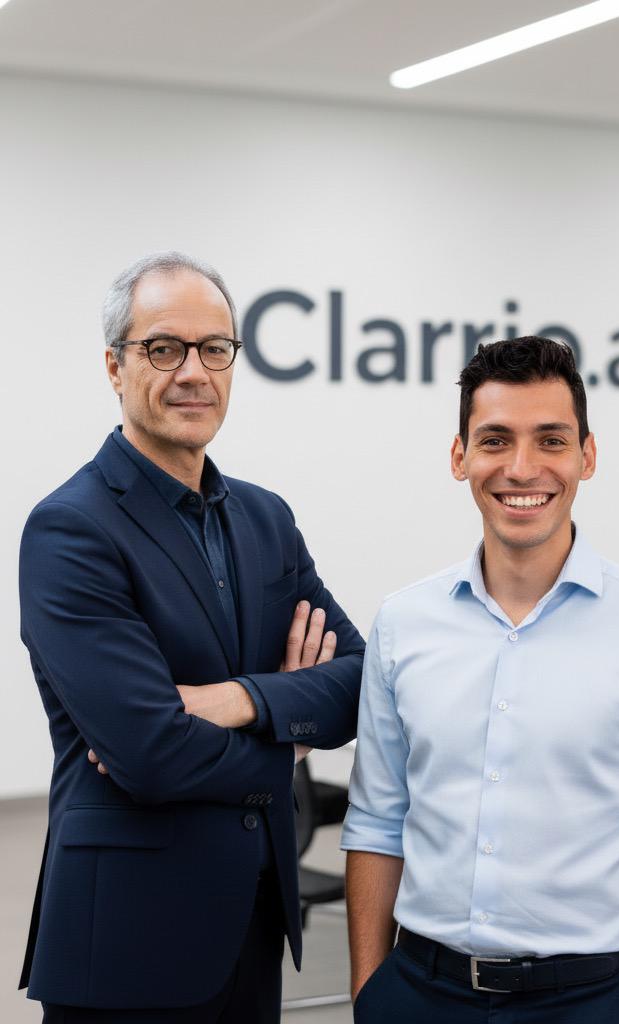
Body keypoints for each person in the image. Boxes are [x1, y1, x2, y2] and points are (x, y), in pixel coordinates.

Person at [341, 336, 619, 1024]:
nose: (522, 468)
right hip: (418, 993)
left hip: (589, 1001)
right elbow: (378, 820)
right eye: (495, 440)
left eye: (551, 440)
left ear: (587, 455)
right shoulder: (403, 622)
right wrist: (369, 994)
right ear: (459, 456)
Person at [18, 251, 365, 1023]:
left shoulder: (265, 517)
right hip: (127, 941)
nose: (193, 373)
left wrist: (239, 700)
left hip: (252, 921)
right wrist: (291, 743)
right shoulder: (70, 529)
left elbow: (357, 681)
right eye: (163, 348)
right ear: (115, 366)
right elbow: (148, 752)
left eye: (214, 349)